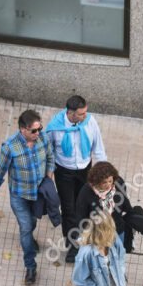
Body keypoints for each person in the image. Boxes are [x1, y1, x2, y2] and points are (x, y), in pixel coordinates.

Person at [0, 109, 55, 285]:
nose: (37, 133)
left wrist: (49, 174)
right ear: (22, 129)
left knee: (32, 223)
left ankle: (30, 239)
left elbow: (50, 156)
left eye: (39, 128)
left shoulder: (43, 139)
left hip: (38, 194)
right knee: (25, 227)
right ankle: (30, 266)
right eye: (34, 130)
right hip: (19, 196)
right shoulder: (10, 147)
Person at [46, 95, 107, 262]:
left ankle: (84, 235)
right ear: (70, 113)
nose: (85, 116)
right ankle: (72, 245)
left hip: (85, 171)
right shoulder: (54, 128)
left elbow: (98, 148)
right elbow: (48, 151)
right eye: (81, 114)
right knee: (69, 209)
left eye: (86, 112)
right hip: (64, 172)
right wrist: (48, 174)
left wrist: (104, 172)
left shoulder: (90, 122)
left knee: (87, 205)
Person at [72, 161, 133, 257]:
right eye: (104, 182)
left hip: (117, 231)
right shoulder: (86, 191)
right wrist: (83, 237)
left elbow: (125, 204)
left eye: (110, 181)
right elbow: (81, 216)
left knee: (118, 259)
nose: (108, 185)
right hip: (96, 234)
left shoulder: (118, 183)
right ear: (96, 181)